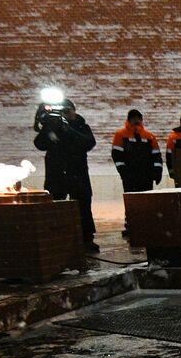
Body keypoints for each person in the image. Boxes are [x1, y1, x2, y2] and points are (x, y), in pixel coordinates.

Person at [33, 96, 98, 252]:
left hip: (77, 172)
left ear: (74, 112)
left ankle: (86, 239)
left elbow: (88, 143)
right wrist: (48, 126)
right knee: (56, 206)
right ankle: (57, 239)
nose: (65, 115)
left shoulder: (80, 125)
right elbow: (40, 144)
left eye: (67, 111)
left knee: (83, 206)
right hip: (57, 174)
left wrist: (68, 130)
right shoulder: (51, 127)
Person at [111, 109, 162, 193]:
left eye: (138, 119)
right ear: (129, 120)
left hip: (147, 175)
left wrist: (157, 172)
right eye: (133, 118)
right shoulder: (120, 134)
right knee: (132, 201)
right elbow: (116, 155)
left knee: (146, 201)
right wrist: (123, 172)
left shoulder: (149, 136)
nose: (136, 121)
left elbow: (156, 156)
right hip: (130, 175)